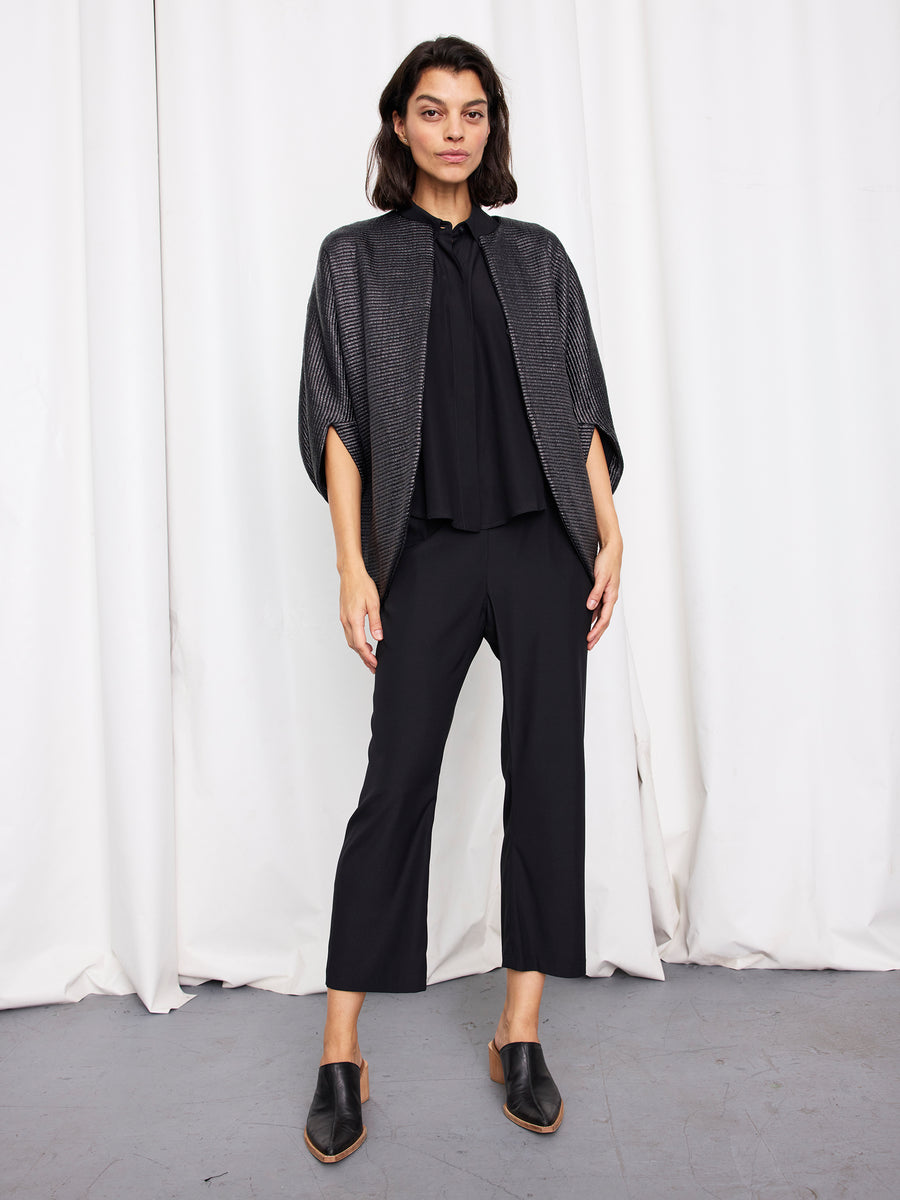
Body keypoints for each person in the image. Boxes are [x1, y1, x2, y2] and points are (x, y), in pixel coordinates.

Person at [297, 35, 624, 1164]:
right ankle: (342, 1048)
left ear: (492, 129)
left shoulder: (536, 257)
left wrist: (610, 532)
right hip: (426, 552)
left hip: (542, 546)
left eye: (473, 112)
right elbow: (340, 418)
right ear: (400, 127)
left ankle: (519, 1032)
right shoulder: (356, 259)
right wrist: (352, 563)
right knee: (396, 788)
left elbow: (578, 400)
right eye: (431, 111)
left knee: (546, 780)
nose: (453, 129)